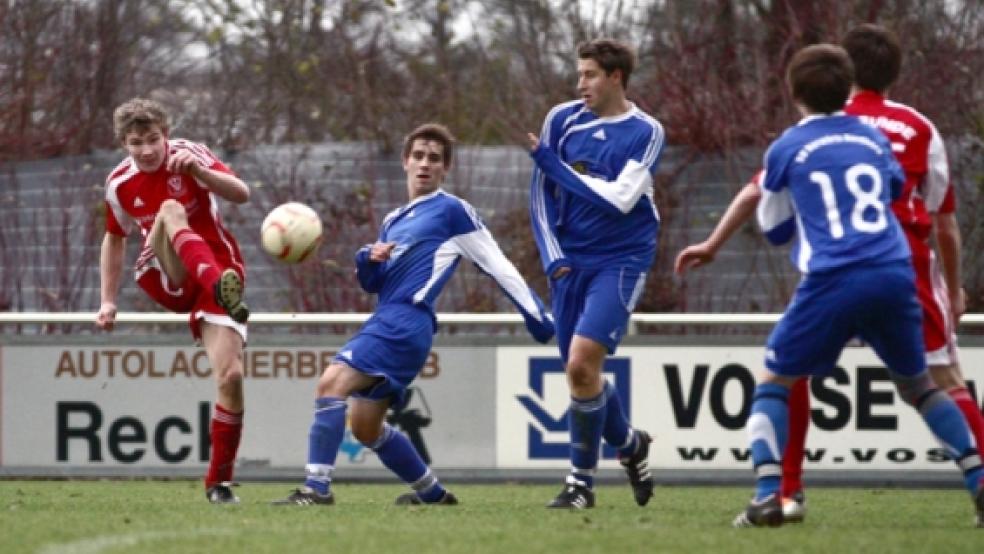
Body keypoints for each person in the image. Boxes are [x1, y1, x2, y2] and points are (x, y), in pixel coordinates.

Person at [678, 23, 984, 525]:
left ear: (793, 90)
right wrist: (954, 286)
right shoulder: (894, 132)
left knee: (776, 380)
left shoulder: (789, 144)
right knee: (930, 386)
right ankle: (979, 478)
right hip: (899, 269)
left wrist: (723, 241)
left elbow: (772, 223)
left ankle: (773, 494)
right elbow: (913, 203)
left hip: (834, 275)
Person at [272, 123, 554, 506]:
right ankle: (433, 494)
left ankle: (316, 489)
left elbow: (497, 263)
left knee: (330, 384)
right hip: (391, 319)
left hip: (405, 321)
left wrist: (538, 315)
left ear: (445, 169)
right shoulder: (393, 220)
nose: (425, 163)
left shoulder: (452, 211)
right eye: (418, 156)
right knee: (366, 428)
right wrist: (366, 259)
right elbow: (373, 284)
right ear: (405, 162)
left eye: (434, 158)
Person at [527, 38, 664, 509]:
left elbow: (619, 200)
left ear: (615, 78)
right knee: (581, 375)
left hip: (622, 259)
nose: (579, 83)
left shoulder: (646, 131)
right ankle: (630, 445)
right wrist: (551, 257)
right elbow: (540, 196)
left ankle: (579, 485)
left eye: (588, 75)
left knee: (582, 361)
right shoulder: (561, 120)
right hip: (571, 261)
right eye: (579, 74)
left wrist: (551, 163)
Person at [97, 98, 251, 504]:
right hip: (164, 273)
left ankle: (218, 483)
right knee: (168, 209)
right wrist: (107, 301)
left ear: (166, 134)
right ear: (124, 144)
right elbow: (115, 238)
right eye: (135, 143)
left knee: (231, 378)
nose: (146, 150)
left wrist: (199, 171)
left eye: (153, 139)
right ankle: (216, 284)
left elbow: (242, 194)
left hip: (219, 268)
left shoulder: (190, 155)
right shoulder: (118, 183)